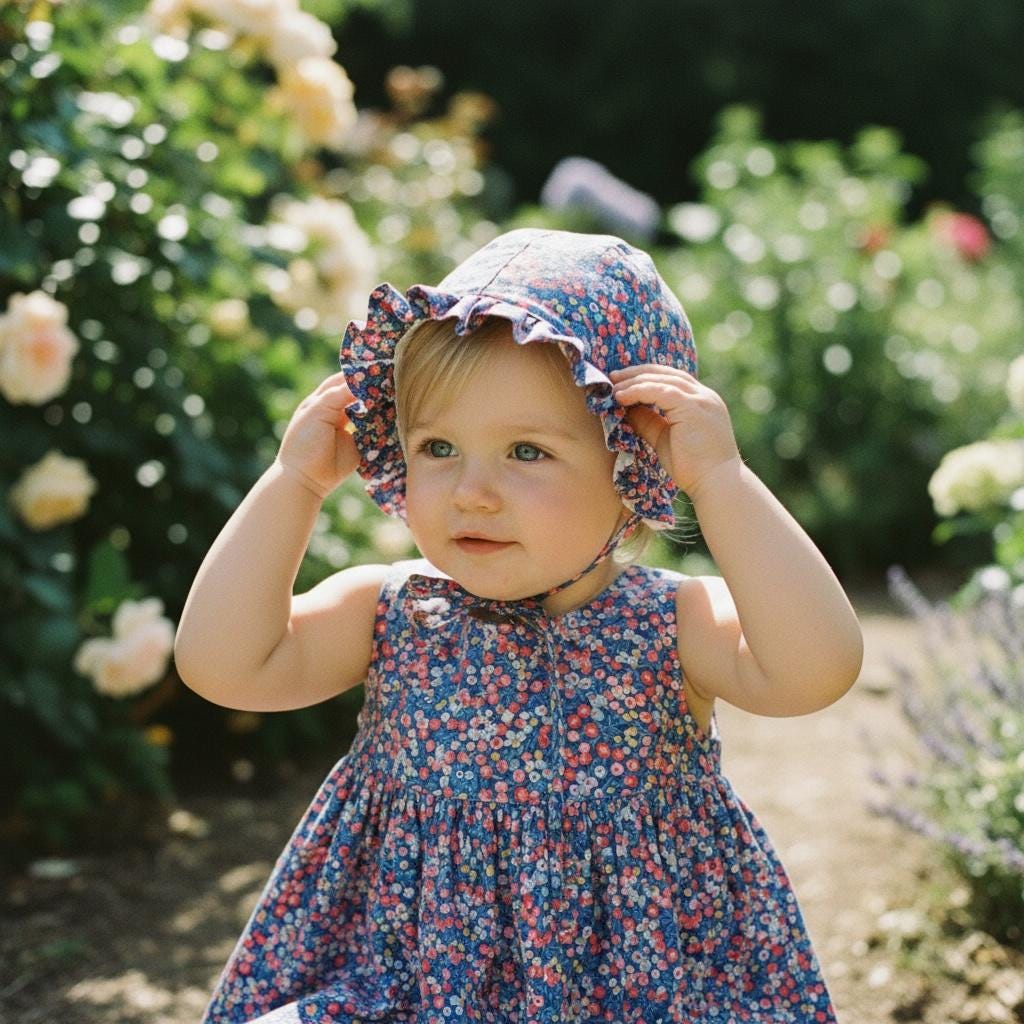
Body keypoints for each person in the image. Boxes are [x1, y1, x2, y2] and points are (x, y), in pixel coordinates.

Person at [175, 228, 864, 1024]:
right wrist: (293, 481)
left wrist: (721, 480)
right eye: (437, 446)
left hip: (633, 994)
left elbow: (818, 669)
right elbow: (223, 664)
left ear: (632, 460)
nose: (472, 491)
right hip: (413, 986)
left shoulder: (668, 625)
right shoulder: (391, 610)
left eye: (526, 452)